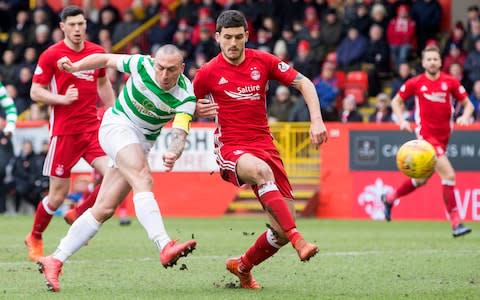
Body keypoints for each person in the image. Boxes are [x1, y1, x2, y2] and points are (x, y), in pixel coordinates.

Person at [36, 44, 197, 292]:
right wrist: (77, 66)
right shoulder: (141, 64)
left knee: (104, 208)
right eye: (161, 68)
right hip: (117, 126)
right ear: (154, 62)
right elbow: (106, 58)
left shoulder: (186, 95)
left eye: (171, 70)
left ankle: (54, 259)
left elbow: (180, 131)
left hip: (141, 142)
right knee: (143, 178)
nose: (164, 75)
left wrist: (174, 151)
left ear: (182, 69)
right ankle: (164, 245)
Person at [193, 10, 328, 289]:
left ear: (247, 36)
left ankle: (242, 266)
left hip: (265, 146)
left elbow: (305, 83)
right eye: (227, 37)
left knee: (277, 229)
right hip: (231, 148)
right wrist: (193, 109)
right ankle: (298, 240)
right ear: (217, 37)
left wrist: (316, 120)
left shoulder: (263, 61)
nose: (233, 43)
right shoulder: (207, 73)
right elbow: (181, 106)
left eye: (238, 37)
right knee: (261, 172)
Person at [25, 6, 116, 262]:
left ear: (85, 24)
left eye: (81, 24)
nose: (77, 29)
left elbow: (102, 82)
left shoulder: (97, 52)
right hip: (64, 133)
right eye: (72, 25)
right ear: (62, 27)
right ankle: (35, 236)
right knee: (56, 196)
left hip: (91, 131)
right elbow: (35, 92)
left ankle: (78, 213)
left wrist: (115, 109)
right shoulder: (51, 55)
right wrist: (62, 99)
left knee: (116, 174)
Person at [382, 46, 474, 238]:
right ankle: (456, 223)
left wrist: (465, 116)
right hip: (426, 138)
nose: (432, 62)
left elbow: (469, 105)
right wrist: (401, 120)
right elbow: (395, 102)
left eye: (435, 59)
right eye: (428, 59)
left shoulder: (450, 82)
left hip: (443, 139)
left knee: (421, 180)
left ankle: (390, 198)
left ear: (440, 62)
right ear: (423, 63)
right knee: (448, 175)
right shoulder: (416, 82)